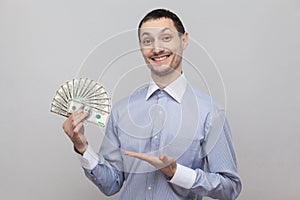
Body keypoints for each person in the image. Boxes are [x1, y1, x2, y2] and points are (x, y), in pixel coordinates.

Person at [62, 8, 242, 200]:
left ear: (184, 40)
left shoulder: (210, 113)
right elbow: (111, 185)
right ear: (141, 48)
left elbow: (230, 188)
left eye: (166, 38)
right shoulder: (122, 111)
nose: (156, 49)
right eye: (147, 41)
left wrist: (177, 173)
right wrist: (82, 147)